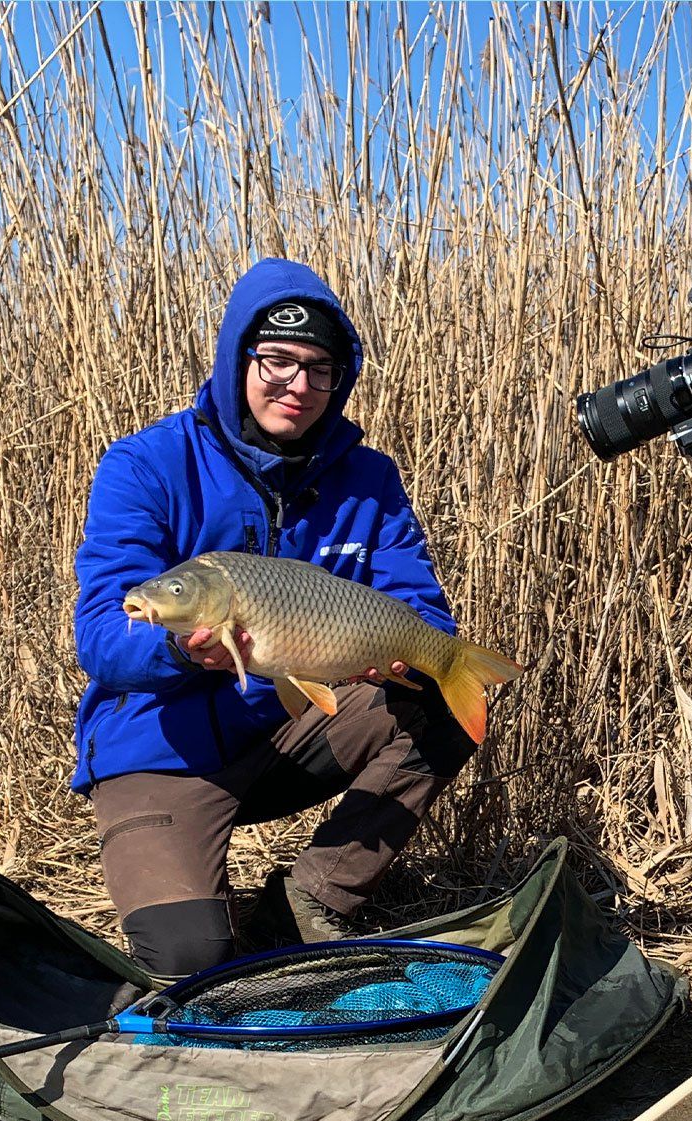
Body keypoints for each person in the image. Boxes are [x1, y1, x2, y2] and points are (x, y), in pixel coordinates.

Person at [71, 258, 478, 979]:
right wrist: (182, 656)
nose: (299, 386)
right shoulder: (146, 464)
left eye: (321, 369)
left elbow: (419, 609)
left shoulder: (368, 479)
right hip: (162, 747)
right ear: (238, 359)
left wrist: (418, 653)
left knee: (442, 701)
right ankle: (200, 908)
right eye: (278, 361)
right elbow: (104, 634)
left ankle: (306, 902)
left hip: (294, 726)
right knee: (188, 960)